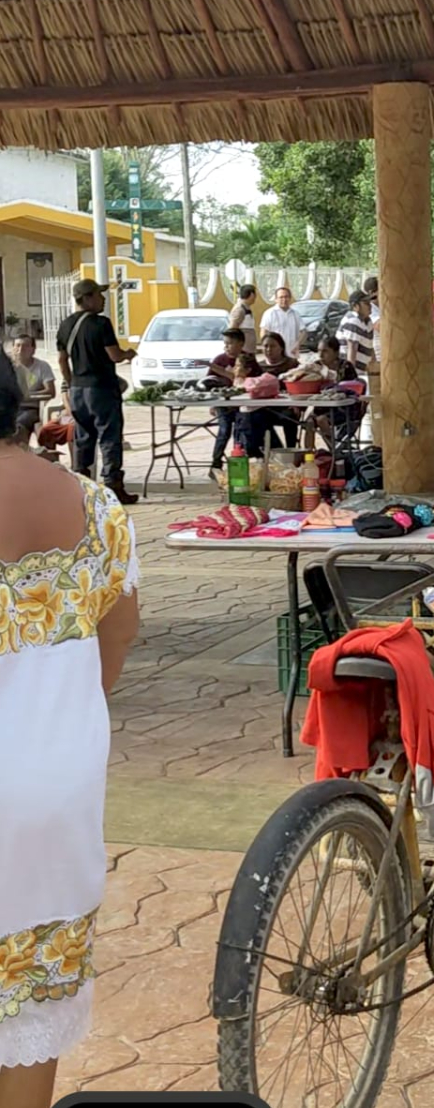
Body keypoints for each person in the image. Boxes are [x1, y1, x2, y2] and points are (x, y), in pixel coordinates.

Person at [0, 359, 140, 1107]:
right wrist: (57, 725)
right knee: (33, 1000)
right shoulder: (98, 507)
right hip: (57, 789)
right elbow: (119, 633)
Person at [56, 278, 138, 505]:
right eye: (99, 295)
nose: (103, 299)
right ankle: (113, 487)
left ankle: (81, 489)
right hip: (101, 389)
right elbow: (115, 356)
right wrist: (129, 354)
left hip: (78, 391)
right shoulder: (101, 324)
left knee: (84, 439)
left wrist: (72, 383)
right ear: (88, 298)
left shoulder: (65, 325)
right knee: (110, 438)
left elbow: (62, 360)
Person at [208, 331, 258, 475]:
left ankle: (240, 460)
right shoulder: (219, 360)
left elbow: (257, 381)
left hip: (244, 406)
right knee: (224, 431)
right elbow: (209, 383)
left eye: (230, 343)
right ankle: (215, 463)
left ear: (240, 344)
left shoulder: (248, 360)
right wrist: (213, 403)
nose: (226, 347)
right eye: (225, 344)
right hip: (224, 405)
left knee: (241, 431)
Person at [10, 333, 55, 439]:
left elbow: (50, 391)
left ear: (33, 349)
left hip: (30, 408)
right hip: (10, 408)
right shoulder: (7, 368)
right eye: (17, 345)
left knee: (20, 424)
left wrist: (30, 395)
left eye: (25, 346)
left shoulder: (42, 366)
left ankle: (26, 452)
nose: (21, 349)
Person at [337, 290, 374, 374]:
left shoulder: (368, 322)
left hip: (360, 371)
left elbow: (370, 348)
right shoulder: (353, 320)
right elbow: (352, 348)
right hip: (350, 372)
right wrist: (351, 374)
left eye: (369, 302)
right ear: (355, 306)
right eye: (366, 303)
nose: (370, 305)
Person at [259, 286, 303, 357]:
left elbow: (303, 331)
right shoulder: (269, 313)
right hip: (275, 354)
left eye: (286, 297)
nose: (284, 299)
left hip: (292, 353)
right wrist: (266, 347)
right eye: (281, 297)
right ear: (276, 299)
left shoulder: (295, 314)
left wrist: (298, 344)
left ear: (290, 298)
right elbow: (263, 332)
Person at [228, 283, 258, 354]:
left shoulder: (246, 307)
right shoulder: (240, 309)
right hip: (243, 351)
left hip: (248, 350)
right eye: (255, 295)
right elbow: (233, 329)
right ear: (251, 295)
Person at [363, 275, 381, 363]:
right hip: (379, 355)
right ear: (372, 293)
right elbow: (380, 327)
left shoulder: (381, 308)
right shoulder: (370, 309)